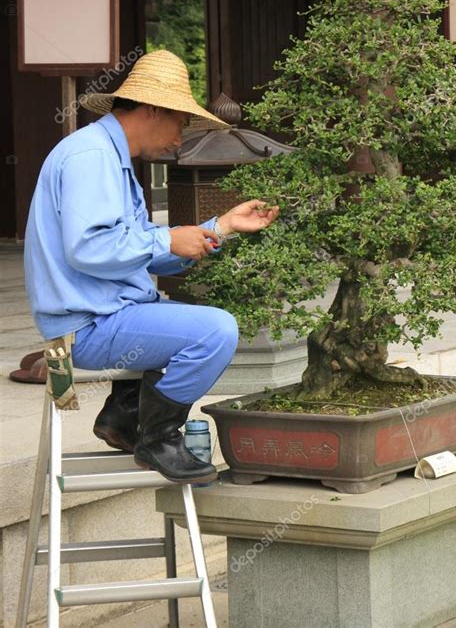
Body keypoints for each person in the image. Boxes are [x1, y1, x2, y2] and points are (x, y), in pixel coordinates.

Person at [24, 49, 279, 484]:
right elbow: (88, 249)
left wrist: (221, 226)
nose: (181, 137)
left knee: (191, 323)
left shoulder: (111, 158)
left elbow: (138, 250)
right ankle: (156, 436)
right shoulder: (90, 157)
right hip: (86, 326)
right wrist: (167, 237)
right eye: (181, 121)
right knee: (216, 331)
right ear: (152, 110)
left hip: (106, 315)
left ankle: (124, 415)